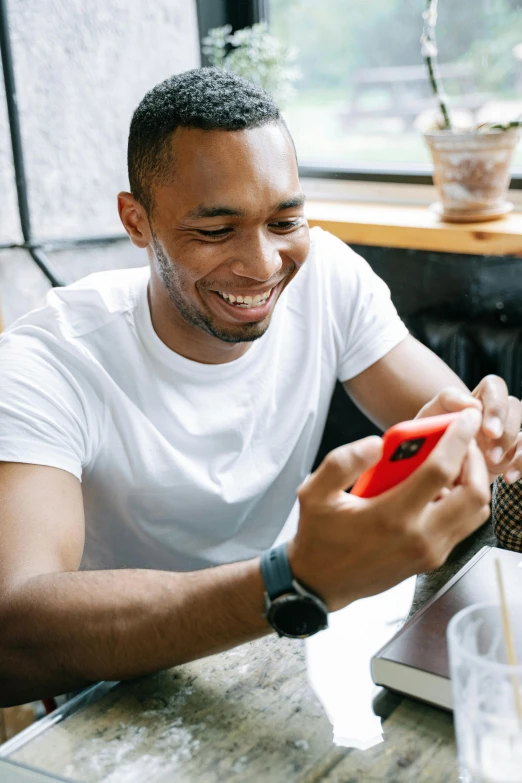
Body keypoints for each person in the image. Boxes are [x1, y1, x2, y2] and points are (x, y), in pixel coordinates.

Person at [0, 68, 521, 707]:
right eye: (216, 231)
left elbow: (449, 423)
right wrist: (292, 580)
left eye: (285, 220)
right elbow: (11, 630)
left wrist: (491, 433)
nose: (264, 264)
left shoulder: (326, 275)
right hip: (114, 677)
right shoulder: (48, 359)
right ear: (137, 222)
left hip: (277, 645)